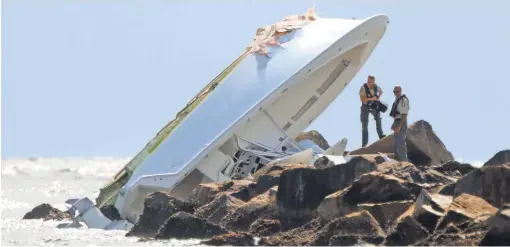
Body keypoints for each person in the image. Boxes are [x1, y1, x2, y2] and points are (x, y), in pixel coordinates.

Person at [359, 75, 385, 147]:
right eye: (368, 81)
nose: (369, 83)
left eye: (371, 82)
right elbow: (362, 99)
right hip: (365, 107)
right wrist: (372, 99)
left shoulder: (376, 87)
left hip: (374, 106)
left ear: (373, 82)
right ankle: (364, 143)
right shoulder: (363, 87)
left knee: (378, 119)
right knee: (364, 124)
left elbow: (381, 92)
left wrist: (377, 98)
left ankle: (381, 135)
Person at [389, 85, 410, 162]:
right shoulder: (397, 99)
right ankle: (399, 161)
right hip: (397, 121)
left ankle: (404, 162)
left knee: (401, 142)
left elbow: (404, 114)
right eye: (394, 92)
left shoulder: (403, 100)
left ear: (401, 91)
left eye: (397, 91)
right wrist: (394, 124)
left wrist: (400, 126)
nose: (395, 93)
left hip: (401, 121)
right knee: (397, 143)